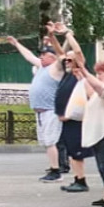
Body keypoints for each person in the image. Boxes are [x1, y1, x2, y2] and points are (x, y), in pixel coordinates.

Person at [7, 30, 64, 182]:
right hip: (40, 111)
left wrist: (53, 39)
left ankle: (56, 171)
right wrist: (17, 43)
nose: (40, 57)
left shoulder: (56, 68)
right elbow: (29, 56)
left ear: (52, 57)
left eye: (44, 55)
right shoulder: (41, 67)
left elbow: (62, 55)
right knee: (46, 141)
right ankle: (53, 167)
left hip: (50, 110)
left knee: (50, 141)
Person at [71, 57, 104, 207]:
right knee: (102, 166)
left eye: (99, 73)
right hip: (98, 133)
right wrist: (81, 77)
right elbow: (92, 91)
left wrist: (85, 71)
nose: (98, 76)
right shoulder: (100, 89)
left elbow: (101, 90)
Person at [51, 23, 94, 193]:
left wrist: (68, 34)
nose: (67, 61)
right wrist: (54, 37)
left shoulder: (81, 72)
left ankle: (81, 181)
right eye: (66, 60)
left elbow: (77, 52)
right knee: (71, 151)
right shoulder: (69, 73)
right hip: (67, 120)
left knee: (77, 152)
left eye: (70, 60)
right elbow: (59, 53)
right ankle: (77, 178)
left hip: (76, 119)